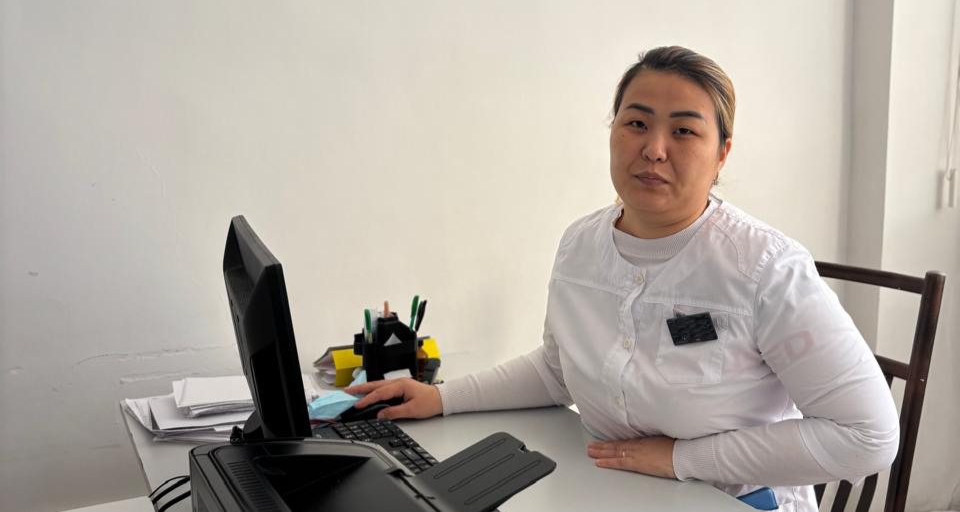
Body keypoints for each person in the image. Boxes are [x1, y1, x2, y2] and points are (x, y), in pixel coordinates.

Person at [346, 46, 899, 512]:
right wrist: (440, 399)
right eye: (636, 123)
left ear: (721, 155)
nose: (653, 149)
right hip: (610, 489)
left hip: (736, 498)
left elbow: (868, 436)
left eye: (684, 131)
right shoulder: (580, 245)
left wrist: (683, 459)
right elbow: (558, 371)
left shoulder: (765, 268)